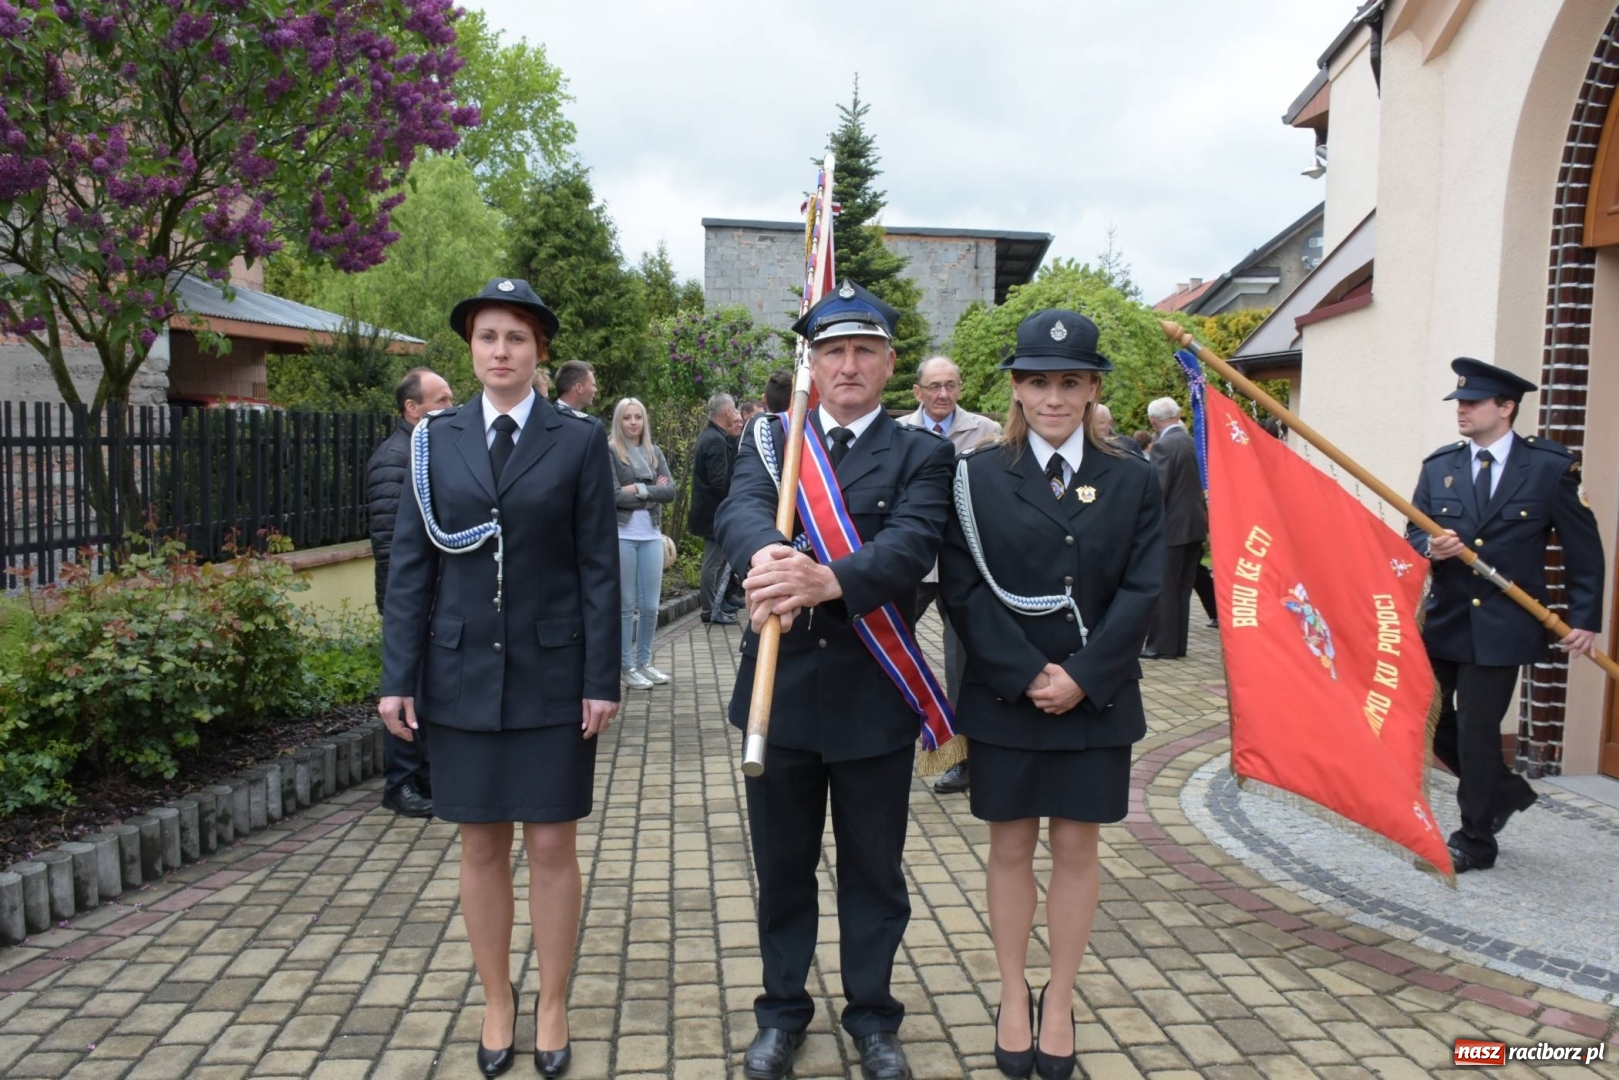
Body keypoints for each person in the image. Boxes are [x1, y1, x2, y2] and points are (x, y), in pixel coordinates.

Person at [378, 278, 620, 1078]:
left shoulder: (578, 438)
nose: (500, 352)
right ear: (470, 348)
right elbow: (410, 567)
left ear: (538, 351)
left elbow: (597, 565)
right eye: (487, 337)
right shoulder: (434, 440)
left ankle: (551, 999)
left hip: (553, 672)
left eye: (516, 338)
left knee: (551, 842)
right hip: (456, 673)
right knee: (480, 844)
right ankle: (496, 998)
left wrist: (602, 678)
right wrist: (397, 676)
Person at [716, 280, 956, 1080]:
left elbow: (913, 544)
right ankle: (781, 1013)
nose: (847, 365)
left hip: (869, 694)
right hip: (776, 693)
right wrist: (772, 557)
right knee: (782, 869)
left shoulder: (923, 451)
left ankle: (873, 1016)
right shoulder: (769, 442)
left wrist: (827, 581)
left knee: (873, 873)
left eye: (863, 351)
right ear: (811, 365)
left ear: (888, 364)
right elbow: (737, 514)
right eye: (832, 352)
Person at [939, 309, 1164, 1080]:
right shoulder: (974, 476)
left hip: (1095, 698)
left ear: (1093, 388)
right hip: (1007, 696)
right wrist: (1026, 673)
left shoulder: (1131, 476)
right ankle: (1011, 994)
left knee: (1076, 846)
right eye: (1038, 382)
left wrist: (1084, 675)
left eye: (1069, 382)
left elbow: (1144, 587)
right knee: (1009, 846)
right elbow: (962, 590)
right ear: (1015, 389)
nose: (1054, 397)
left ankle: (1059, 999)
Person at [1406, 357, 1605, 873]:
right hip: (1446, 619)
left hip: (1503, 624)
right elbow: (1412, 536)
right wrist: (1432, 547)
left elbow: (1584, 549)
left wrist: (1584, 618)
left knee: (1476, 728)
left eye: (1473, 403)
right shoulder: (1440, 466)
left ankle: (1475, 839)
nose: (1462, 411)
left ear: (1507, 407)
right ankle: (1504, 789)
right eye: (1460, 403)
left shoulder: (1549, 468)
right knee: (1423, 716)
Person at [899, 354, 1003, 796]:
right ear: (917, 391)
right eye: (934, 386)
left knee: (964, 664)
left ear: (960, 388)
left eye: (951, 385)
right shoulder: (900, 432)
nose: (943, 394)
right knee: (882, 647)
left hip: (966, 566)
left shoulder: (987, 432)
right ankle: (885, 744)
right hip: (910, 564)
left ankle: (963, 760)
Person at [366, 367, 454, 818]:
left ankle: (423, 773)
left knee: (426, 686)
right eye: (440, 401)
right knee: (407, 686)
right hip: (412, 600)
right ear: (411, 408)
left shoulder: (427, 450)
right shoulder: (395, 458)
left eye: (451, 399)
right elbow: (391, 544)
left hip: (435, 596)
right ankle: (400, 783)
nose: (450, 408)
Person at [611, 397, 676, 689]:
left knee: (650, 606)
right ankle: (626, 667)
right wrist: (652, 492)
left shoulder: (655, 452)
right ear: (619, 421)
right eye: (627, 417)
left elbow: (671, 491)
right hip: (622, 535)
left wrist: (637, 489)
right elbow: (612, 495)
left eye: (638, 417)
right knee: (626, 606)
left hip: (651, 535)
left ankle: (644, 662)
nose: (633, 422)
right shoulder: (611, 450)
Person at [1142, 397, 1207, 660]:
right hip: (1194, 526)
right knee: (1182, 588)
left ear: (1152, 420)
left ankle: (1161, 645)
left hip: (1172, 528)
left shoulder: (1164, 445)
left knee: (1165, 588)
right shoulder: (1191, 442)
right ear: (1178, 414)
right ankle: (1178, 643)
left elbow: (1158, 490)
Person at [688, 392, 742, 625]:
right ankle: (710, 609)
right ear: (727, 412)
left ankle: (716, 605)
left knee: (718, 561)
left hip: (713, 512)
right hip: (714, 514)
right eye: (734, 410)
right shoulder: (715, 440)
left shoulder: (714, 436)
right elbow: (720, 481)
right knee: (713, 563)